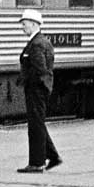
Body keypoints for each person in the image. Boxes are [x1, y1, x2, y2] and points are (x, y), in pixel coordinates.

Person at [16, 9, 63, 173]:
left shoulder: (37, 44)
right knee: (38, 123)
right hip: (37, 89)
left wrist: (35, 86)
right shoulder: (39, 41)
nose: (22, 27)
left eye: (24, 24)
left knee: (35, 126)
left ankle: (37, 163)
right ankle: (53, 156)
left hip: (36, 89)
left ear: (34, 24)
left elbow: (40, 70)